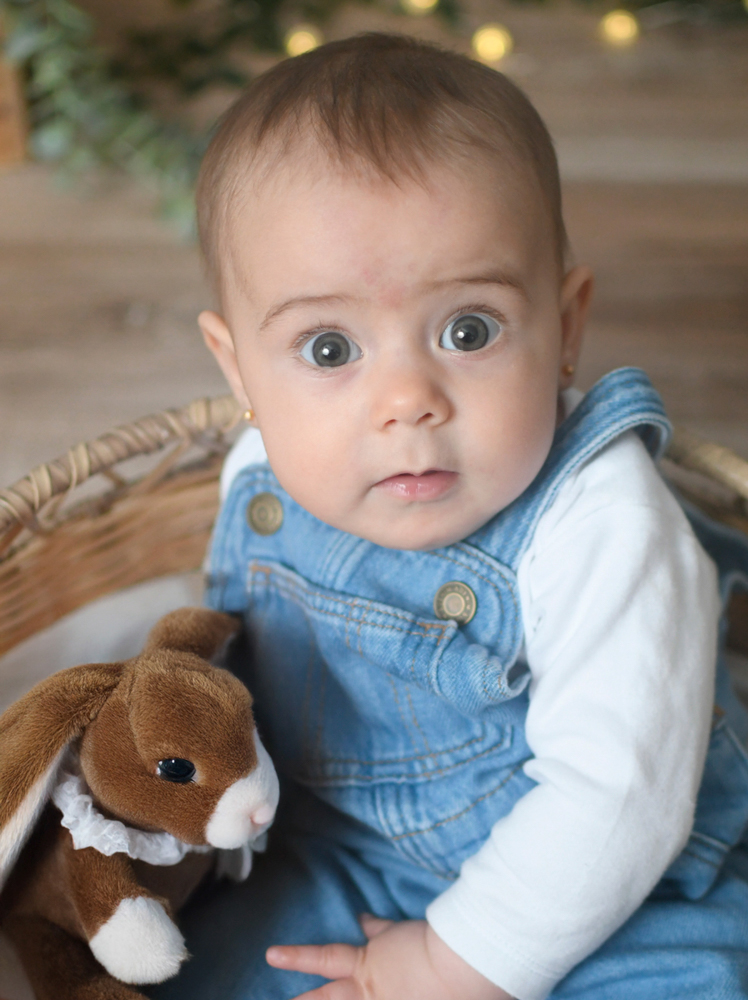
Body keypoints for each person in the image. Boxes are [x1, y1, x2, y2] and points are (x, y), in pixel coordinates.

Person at [151, 32, 748, 1000]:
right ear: (238, 369)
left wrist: (449, 964)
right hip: (335, 853)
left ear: (566, 329)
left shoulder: (604, 523)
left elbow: (621, 797)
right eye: (330, 347)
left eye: (467, 330)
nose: (405, 399)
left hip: (617, 893)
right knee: (190, 974)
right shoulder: (259, 473)